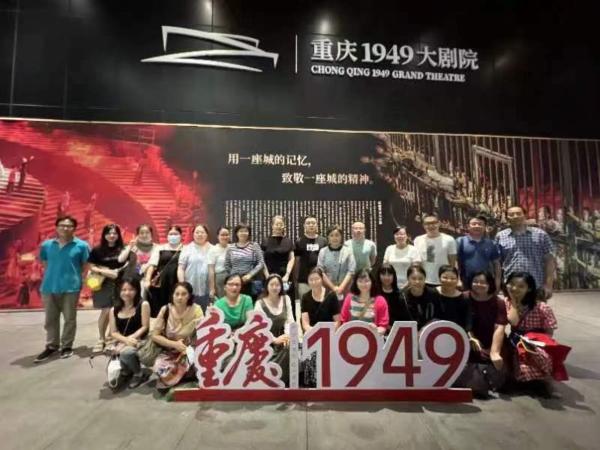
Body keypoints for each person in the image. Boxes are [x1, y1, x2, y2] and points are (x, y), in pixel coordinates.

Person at [34, 216, 90, 362]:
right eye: (62, 225)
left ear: (74, 228)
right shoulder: (47, 245)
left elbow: (85, 266)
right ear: (56, 227)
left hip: (71, 288)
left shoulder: (82, 246)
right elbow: (45, 263)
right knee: (50, 319)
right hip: (49, 287)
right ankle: (52, 346)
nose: (65, 228)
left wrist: (76, 279)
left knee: (69, 319)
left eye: (69, 226)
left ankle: (67, 346)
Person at [504, 272, 558, 395]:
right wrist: (513, 301)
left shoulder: (542, 307)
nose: (515, 288)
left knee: (538, 354)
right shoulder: (507, 303)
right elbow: (514, 321)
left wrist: (536, 342)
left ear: (529, 289)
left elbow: (549, 332)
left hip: (537, 341)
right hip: (516, 340)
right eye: (512, 284)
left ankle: (544, 381)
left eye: (521, 286)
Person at [495, 205, 556, 300]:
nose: (515, 216)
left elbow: (549, 261)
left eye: (518, 213)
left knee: (537, 309)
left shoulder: (540, 235)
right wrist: (498, 284)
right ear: (507, 218)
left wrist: (548, 285)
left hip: (536, 285)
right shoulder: (500, 236)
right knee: (512, 310)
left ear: (525, 215)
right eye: (511, 214)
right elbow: (497, 263)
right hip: (511, 286)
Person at [151, 282, 204, 390]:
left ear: (189, 296)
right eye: (177, 294)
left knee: (199, 365)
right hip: (170, 351)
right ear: (172, 295)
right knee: (159, 367)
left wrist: (189, 348)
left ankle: (182, 375)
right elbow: (155, 336)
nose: (180, 297)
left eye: (184, 294)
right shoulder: (165, 310)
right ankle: (182, 376)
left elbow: (203, 332)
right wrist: (174, 344)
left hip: (190, 350)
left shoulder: (196, 309)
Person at [88, 224, 127, 353]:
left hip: (119, 284)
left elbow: (127, 265)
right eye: (109, 233)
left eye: (114, 233)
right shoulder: (97, 250)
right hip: (102, 283)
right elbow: (91, 266)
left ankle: (111, 338)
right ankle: (101, 339)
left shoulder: (123, 249)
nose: (112, 235)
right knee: (105, 311)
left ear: (118, 235)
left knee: (116, 311)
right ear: (104, 235)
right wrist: (105, 272)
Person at [107, 278, 150, 389]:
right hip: (122, 340)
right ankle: (126, 371)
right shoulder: (114, 310)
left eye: (131, 289)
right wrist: (124, 341)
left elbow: (145, 327)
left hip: (141, 339)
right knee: (113, 351)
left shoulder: (143, 304)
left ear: (137, 290)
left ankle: (139, 374)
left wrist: (126, 342)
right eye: (123, 290)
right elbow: (113, 332)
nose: (127, 293)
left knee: (126, 353)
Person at [300, 268, 341, 387]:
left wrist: (326, 334)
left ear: (322, 279)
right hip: (313, 333)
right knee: (309, 345)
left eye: (316, 279)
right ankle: (311, 381)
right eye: (311, 279)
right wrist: (316, 334)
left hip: (330, 333)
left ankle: (330, 379)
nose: (314, 282)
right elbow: (305, 323)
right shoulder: (306, 297)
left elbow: (337, 321)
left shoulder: (331, 295)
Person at [254, 274, 294, 386]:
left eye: (277, 285)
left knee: (290, 348)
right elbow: (259, 327)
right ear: (266, 286)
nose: (275, 287)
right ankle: (268, 381)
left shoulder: (286, 299)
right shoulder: (259, 303)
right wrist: (274, 340)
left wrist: (287, 336)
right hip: (265, 339)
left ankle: (282, 383)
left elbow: (290, 320)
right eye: (272, 284)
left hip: (283, 337)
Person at [467, 271, 507, 370]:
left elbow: (499, 327)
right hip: (469, 338)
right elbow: (463, 322)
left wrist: (494, 352)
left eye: (483, 282)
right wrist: (471, 337)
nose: (479, 284)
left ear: (490, 284)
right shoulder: (464, 297)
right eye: (475, 281)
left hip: (492, 339)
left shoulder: (499, 302)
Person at [145, 226, 183, 318]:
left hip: (177, 282)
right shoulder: (160, 248)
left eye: (176, 234)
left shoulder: (185, 249)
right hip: (160, 283)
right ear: (167, 236)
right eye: (171, 234)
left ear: (181, 235)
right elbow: (152, 265)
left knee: (175, 307)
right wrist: (147, 280)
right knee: (158, 309)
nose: (173, 236)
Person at [456, 216, 501, 291]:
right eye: (474, 224)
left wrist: (497, 281)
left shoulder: (490, 243)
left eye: (480, 224)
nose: (477, 226)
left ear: (485, 227)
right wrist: (457, 280)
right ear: (468, 226)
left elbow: (496, 264)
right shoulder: (461, 241)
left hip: (484, 282)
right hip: (465, 281)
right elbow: (456, 262)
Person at [340, 269, 389, 335]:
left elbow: (383, 326)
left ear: (372, 282)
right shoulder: (349, 298)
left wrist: (376, 330)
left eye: (366, 281)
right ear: (356, 283)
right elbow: (343, 321)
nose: (363, 284)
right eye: (360, 281)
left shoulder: (380, 301)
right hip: (351, 338)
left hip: (371, 338)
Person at [413, 214, 457, 286]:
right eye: (427, 224)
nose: (431, 226)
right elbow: (420, 260)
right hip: (424, 281)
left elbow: (452, 262)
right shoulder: (418, 240)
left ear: (439, 223)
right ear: (423, 225)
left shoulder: (449, 240)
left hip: (443, 281)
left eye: (433, 223)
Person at [177, 224, 213, 312]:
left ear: (207, 234)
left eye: (202, 232)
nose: (200, 234)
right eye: (197, 232)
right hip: (190, 289)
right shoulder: (187, 248)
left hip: (207, 290)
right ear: (193, 234)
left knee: (206, 315)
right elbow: (181, 268)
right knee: (191, 314)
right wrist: (182, 285)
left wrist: (212, 289)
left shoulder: (213, 249)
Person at [224, 223, 264, 300]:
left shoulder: (254, 245)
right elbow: (227, 264)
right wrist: (234, 277)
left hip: (249, 281)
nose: (243, 233)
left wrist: (250, 275)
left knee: (249, 303)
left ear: (249, 233)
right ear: (236, 233)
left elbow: (261, 262)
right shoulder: (231, 247)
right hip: (234, 283)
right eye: (241, 231)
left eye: (246, 231)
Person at [317, 225, 355, 301]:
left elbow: (351, 271)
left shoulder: (348, 251)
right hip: (328, 288)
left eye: (337, 235)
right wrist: (333, 287)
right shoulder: (323, 251)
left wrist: (341, 287)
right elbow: (321, 271)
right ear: (328, 237)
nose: (334, 238)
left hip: (346, 287)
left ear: (341, 237)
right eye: (331, 235)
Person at [294, 215, 327, 301]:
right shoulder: (299, 241)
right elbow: (297, 261)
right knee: (305, 304)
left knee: (320, 303)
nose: (311, 225)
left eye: (313, 223)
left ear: (317, 225)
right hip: (303, 280)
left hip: (320, 279)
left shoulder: (323, 241)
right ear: (304, 226)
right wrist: (296, 279)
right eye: (308, 223)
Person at [400, 264, 442, 330]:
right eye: (413, 279)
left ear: (425, 279)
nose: (417, 282)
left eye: (420, 279)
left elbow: (438, 315)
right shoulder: (402, 296)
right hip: (409, 331)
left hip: (430, 330)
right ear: (408, 279)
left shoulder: (433, 293)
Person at [261, 216, 295, 294]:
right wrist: (267, 276)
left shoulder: (288, 241)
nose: (279, 226)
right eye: (276, 224)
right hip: (269, 275)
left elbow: (291, 259)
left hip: (285, 277)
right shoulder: (265, 241)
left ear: (284, 226)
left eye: (281, 224)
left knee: (285, 298)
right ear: (272, 226)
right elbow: (261, 260)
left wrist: (287, 274)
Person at [435, 265, 471, 331]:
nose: (449, 281)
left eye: (453, 278)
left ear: (457, 280)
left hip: (456, 333)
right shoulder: (432, 294)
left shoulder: (464, 298)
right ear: (439, 278)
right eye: (445, 277)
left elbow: (467, 322)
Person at [375, 263, 409, 328]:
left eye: (389, 274)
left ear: (394, 276)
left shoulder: (400, 295)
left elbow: (405, 318)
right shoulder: (374, 294)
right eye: (383, 274)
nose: (386, 277)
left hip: (395, 330)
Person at [208, 226, 231, 299]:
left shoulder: (232, 248)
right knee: (222, 301)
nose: (225, 237)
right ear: (218, 236)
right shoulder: (213, 250)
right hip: (220, 278)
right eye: (222, 235)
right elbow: (211, 270)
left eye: (227, 235)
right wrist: (212, 288)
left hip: (232, 277)